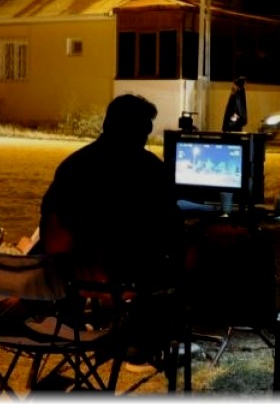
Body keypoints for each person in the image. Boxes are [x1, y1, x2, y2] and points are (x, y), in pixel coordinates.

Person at [37, 93, 187, 370]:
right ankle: (143, 344)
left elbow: (49, 217)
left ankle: (84, 320)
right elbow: (169, 224)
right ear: (141, 130)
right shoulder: (149, 169)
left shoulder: (73, 165)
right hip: (122, 274)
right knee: (181, 258)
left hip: (70, 274)